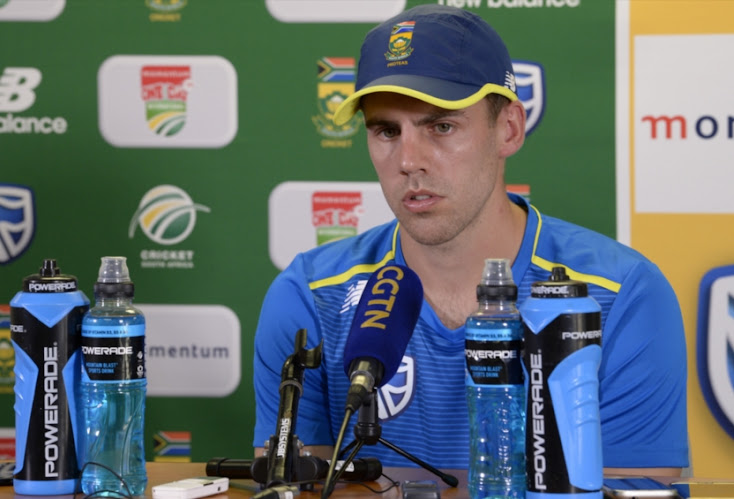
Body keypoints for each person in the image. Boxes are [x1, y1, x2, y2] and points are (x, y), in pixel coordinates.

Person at [253, 4, 688, 475]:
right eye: (385, 131)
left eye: (441, 126)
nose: (408, 161)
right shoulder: (310, 297)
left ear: (509, 129)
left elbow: (635, 486)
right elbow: (294, 486)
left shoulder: (620, 296)